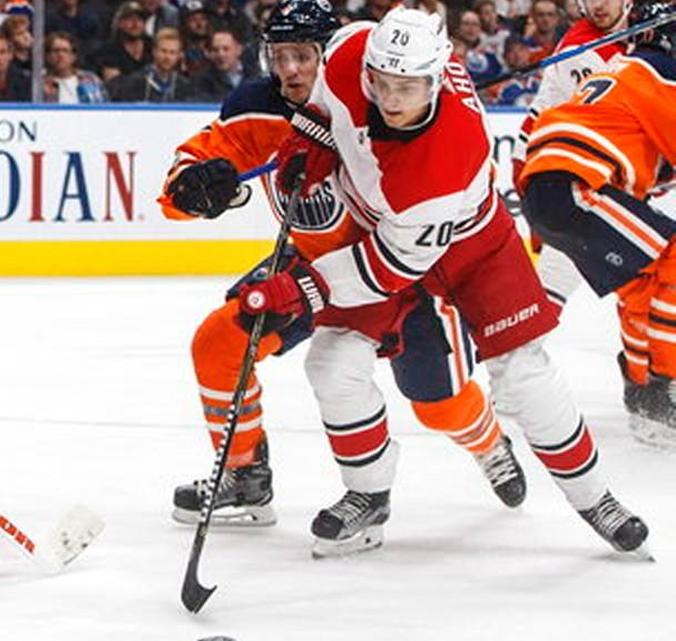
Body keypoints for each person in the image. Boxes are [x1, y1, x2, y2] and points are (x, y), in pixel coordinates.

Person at [237, 7, 649, 556]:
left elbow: (386, 268)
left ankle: (596, 499)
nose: (390, 99)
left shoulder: (442, 165)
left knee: (523, 373)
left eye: (407, 87)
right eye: (381, 82)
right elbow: (327, 102)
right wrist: (311, 138)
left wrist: (301, 287)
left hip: (473, 247)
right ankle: (368, 496)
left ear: (436, 80)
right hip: (381, 228)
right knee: (332, 361)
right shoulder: (350, 49)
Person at [162, 0, 527, 533]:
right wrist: (194, 188)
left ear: (329, 55)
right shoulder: (256, 107)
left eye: (302, 55)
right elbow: (194, 163)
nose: (289, 70)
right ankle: (244, 477)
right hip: (311, 271)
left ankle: (489, 443)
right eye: (278, 56)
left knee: (438, 404)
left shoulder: (379, 106)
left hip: (398, 273)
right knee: (219, 344)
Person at [519, 1, 676, 446]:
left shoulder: (627, 67)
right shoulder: (660, 72)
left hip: (556, 184)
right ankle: (663, 382)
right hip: (578, 186)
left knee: (642, 282)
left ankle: (647, 397)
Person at [510, 0, 634, 408]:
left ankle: (647, 381)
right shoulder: (575, 48)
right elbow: (540, 116)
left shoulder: (652, 33)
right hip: (590, 185)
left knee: (648, 293)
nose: (597, 5)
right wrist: (526, 180)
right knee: (553, 281)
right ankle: (513, 375)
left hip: (642, 182)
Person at [108, 27, 200, 102]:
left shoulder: (184, 86)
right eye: (163, 51)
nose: (167, 57)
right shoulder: (134, 82)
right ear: (154, 51)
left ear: (179, 55)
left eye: (172, 52)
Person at [43, 31, 109, 103]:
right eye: (56, 51)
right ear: (48, 56)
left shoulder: (91, 79)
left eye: (65, 50)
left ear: (73, 56)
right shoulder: (40, 82)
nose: (60, 55)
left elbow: (104, 105)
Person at [195, 29, 258, 101]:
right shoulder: (203, 81)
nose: (221, 54)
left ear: (238, 50)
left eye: (226, 49)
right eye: (215, 50)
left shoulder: (256, 75)